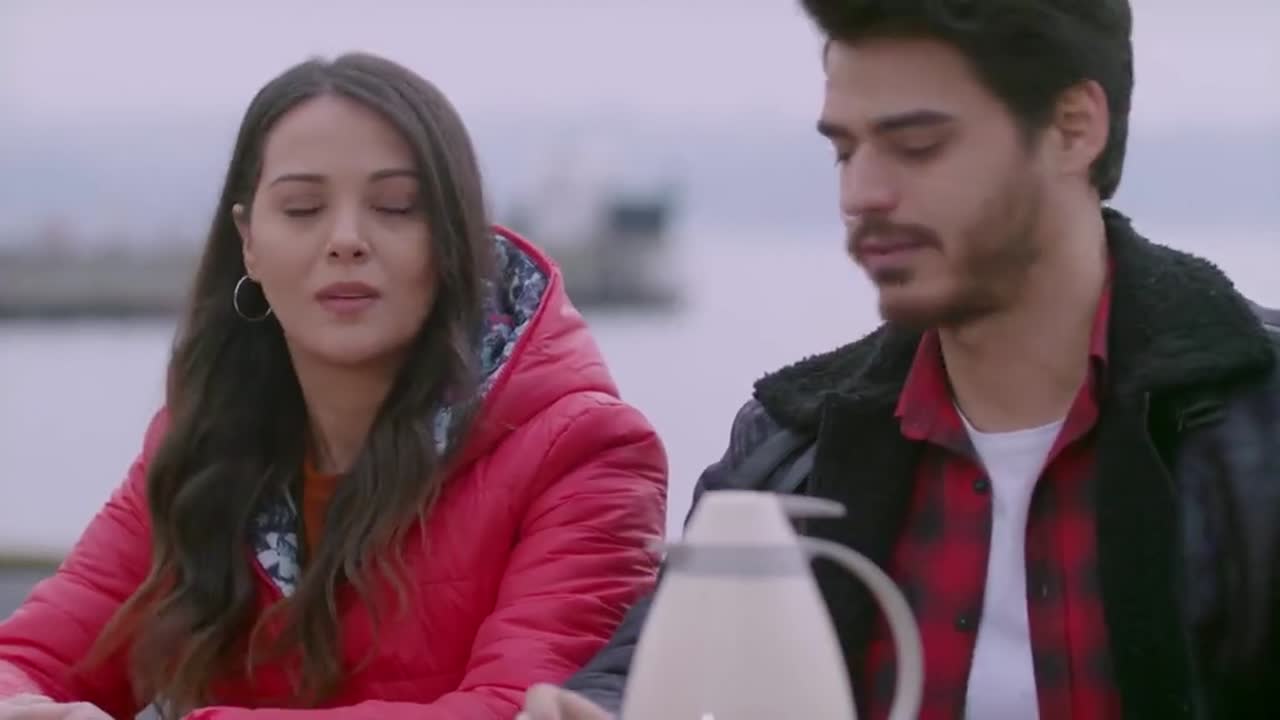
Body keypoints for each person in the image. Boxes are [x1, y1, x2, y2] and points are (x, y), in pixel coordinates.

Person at [521, 0, 1280, 718]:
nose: (862, 193)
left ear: (1072, 128)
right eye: (845, 151)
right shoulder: (788, 447)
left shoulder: (1259, 426)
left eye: (917, 146)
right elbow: (651, 668)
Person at [0, 52, 668, 720]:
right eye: (302, 209)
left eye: (395, 207)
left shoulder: (586, 453)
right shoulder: (203, 444)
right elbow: (28, 659)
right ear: (248, 243)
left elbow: (516, 710)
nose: (346, 240)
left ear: (455, 240)